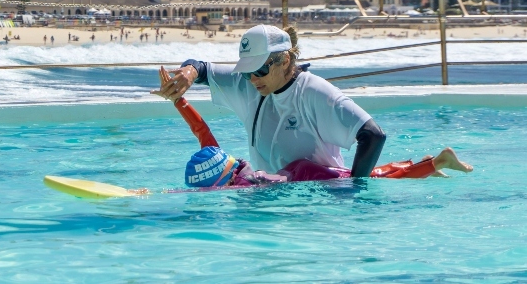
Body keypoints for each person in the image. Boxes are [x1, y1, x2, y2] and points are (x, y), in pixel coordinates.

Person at [153, 67, 472, 188]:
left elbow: (273, 179)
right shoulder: (224, 162)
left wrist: (154, 193)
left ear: (219, 181)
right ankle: (425, 164)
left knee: (366, 179)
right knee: (370, 174)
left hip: (308, 173)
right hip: (302, 169)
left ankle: (435, 162)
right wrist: (179, 102)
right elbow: (202, 132)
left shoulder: (245, 181)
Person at [153, 24, 387, 178]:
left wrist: (356, 191)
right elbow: (201, 67)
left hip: (317, 201)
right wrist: (189, 74)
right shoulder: (247, 84)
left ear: (284, 60)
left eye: (259, 71)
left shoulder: (314, 92)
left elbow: (373, 134)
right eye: (246, 71)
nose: (252, 79)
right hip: (269, 196)